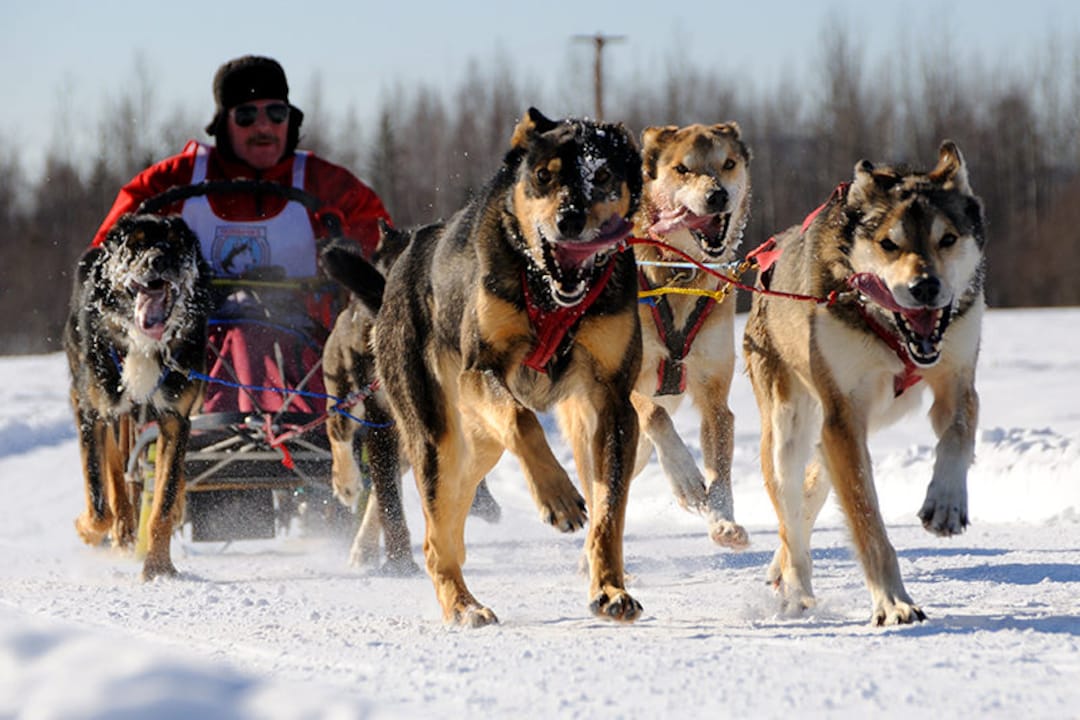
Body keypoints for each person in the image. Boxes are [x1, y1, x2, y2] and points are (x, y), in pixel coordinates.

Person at [92, 55, 391, 413]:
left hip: (304, 347)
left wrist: (350, 250)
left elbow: (386, 257)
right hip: (192, 348)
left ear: (290, 120)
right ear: (223, 123)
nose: (263, 126)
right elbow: (107, 255)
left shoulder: (326, 185)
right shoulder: (175, 182)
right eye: (247, 116)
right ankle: (182, 426)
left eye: (275, 114)